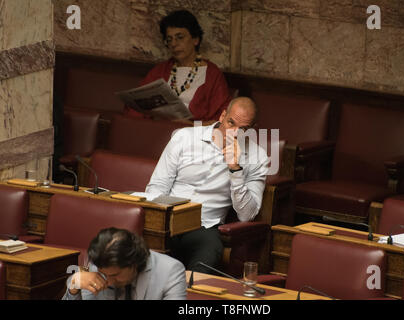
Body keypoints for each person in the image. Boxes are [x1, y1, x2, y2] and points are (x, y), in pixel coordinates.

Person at [145, 97, 269, 274]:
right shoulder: (185, 137)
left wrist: (235, 170)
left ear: (252, 129)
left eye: (242, 129)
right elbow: (157, 186)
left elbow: (246, 215)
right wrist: (158, 219)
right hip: (167, 219)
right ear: (222, 116)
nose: (233, 133)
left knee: (206, 258)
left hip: (205, 226)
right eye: (231, 123)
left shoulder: (258, 157)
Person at [125, 10, 231, 122]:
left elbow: (222, 120)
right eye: (169, 39)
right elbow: (136, 107)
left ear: (195, 39)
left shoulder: (212, 74)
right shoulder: (160, 70)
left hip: (193, 135)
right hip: (158, 131)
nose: (174, 44)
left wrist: (190, 126)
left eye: (180, 37)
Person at [62, 228, 186, 300]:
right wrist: (74, 286)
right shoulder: (99, 263)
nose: (108, 282)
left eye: (115, 275)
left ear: (134, 263)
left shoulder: (170, 270)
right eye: (104, 274)